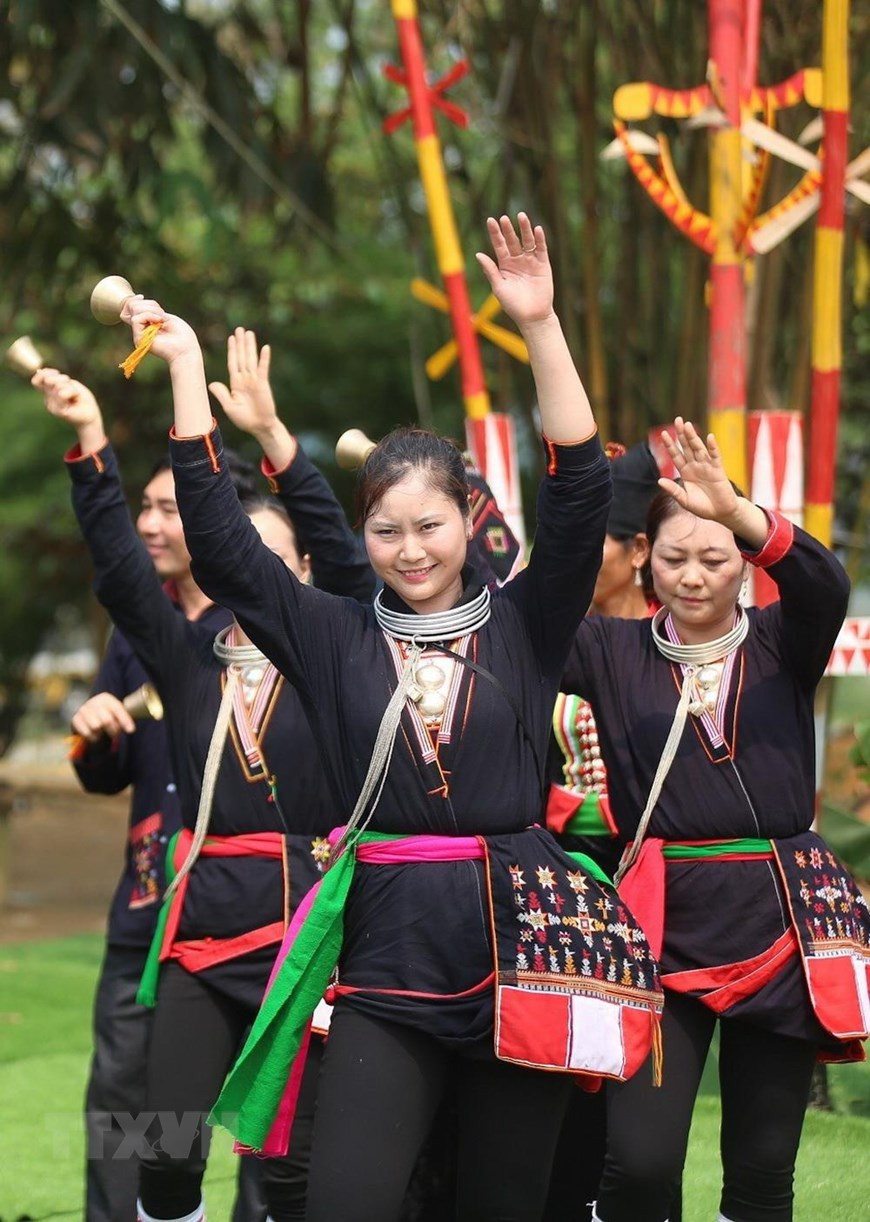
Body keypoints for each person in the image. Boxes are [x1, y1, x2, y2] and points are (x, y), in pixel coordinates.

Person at [119, 212, 665, 1222]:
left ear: (468, 521)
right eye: (386, 529)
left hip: (520, 948)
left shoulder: (528, 622)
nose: (410, 548)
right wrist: (187, 368)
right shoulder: (330, 633)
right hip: (387, 957)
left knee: (503, 1206)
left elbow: (581, 488)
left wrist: (540, 324)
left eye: (430, 524)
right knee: (348, 1201)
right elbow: (222, 543)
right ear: (360, 533)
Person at [35, 328, 373, 1222]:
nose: (247, 578)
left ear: (299, 572)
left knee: (289, 1168)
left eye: (267, 561)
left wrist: (271, 441)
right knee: (162, 1148)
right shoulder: (188, 659)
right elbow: (119, 572)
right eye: (236, 562)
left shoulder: (337, 657)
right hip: (199, 933)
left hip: (312, 939)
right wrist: (91, 448)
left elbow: (346, 555)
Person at [560, 419, 870, 1222]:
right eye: (673, 558)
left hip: (778, 922)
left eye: (714, 557)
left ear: (743, 565)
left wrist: (742, 514)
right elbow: (520, 622)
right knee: (639, 1162)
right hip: (661, 925)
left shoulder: (781, 640)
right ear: (642, 560)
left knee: (764, 1168)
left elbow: (824, 585)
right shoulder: (609, 651)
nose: (692, 576)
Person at [68, 448, 273, 1222]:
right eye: (143, 509)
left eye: (168, 510)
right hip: (147, 906)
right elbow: (108, 773)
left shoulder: (266, 625)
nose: (149, 525)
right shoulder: (137, 626)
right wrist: (95, 733)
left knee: (266, 1101)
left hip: (256, 906)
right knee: (130, 1103)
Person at [545, 439, 666, 1222]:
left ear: (638, 551)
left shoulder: (677, 644)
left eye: (594, 548)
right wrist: (560, 812)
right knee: (562, 1087)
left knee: (645, 1124)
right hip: (563, 886)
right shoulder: (559, 640)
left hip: (655, 888)